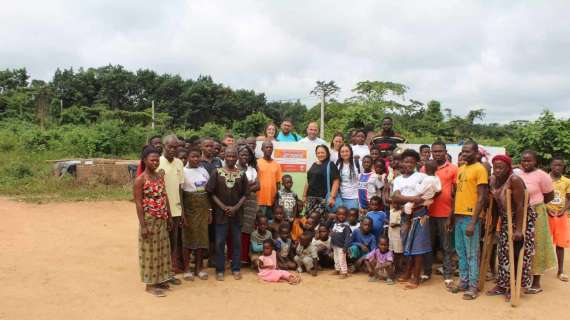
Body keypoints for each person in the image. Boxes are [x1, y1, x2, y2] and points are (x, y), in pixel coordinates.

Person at [485, 155, 536, 299]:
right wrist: (492, 224)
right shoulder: (493, 180)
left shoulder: (514, 180)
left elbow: (520, 206)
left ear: (508, 168)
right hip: (505, 220)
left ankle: (514, 286)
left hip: (521, 220)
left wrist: (519, 230)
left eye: (501, 167)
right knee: (503, 253)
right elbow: (494, 205)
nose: (498, 170)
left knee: (517, 253)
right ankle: (502, 284)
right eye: (495, 167)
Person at [134, 146, 175, 297]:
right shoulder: (140, 180)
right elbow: (138, 203)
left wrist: (169, 217)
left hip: (162, 218)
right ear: (144, 160)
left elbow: (165, 196)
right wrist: (143, 225)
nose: (155, 162)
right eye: (152, 160)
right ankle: (150, 285)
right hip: (149, 219)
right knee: (150, 252)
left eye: (157, 160)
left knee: (162, 250)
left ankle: (160, 280)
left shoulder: (159, 176)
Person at [450, 141, 488, 299]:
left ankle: (473, 286)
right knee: (461, 252)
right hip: (458, 216)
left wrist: (473, 221)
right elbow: (458, 195)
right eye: (463, 151)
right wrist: (451, 217)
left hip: (470, 217)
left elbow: (482, 197)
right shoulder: (461, 169)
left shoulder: (480, 169)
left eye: (467, 151)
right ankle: (463, 281)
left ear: (476, 153)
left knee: (472, 253)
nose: (464, 154)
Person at [206, 146, 249, 281]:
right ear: (224, 157)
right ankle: (220, 269)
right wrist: (223, 207)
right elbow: (211, 192)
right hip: (221, 214)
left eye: (233, 156)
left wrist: (236, 207)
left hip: (237, 214)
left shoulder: (242, 173)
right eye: (228, 156)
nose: (230, 158)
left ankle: (236, 268)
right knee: (219, 242)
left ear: (236, 158)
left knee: (236, 242)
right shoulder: (217, 172)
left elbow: (246, 194)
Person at [391, 149, 431, 290]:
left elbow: (431, 193)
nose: (408, 164)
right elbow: (395, 198)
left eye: (411, 162)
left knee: (418, 246)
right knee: (407, 244)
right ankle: (407, 272)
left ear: (415, 163)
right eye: (405, 161)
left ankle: (416, 276)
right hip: (404, 215)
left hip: (419, 214)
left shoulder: (421, 176)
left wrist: (408, 199)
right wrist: (413, 198)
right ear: (401, 162)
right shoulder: (397, 179)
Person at [517, 149, 556, 293]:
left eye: (529, 160)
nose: (526, 163)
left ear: (536, 161)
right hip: (521, 213)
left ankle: (536, 282)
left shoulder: (542, 176)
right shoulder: (518, 175)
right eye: (523, 160)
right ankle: (522, 278)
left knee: (536, 245)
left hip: (537, 213)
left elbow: (549, 196)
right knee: (522, 245)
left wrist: (535, 205)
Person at [423, 141, 457, 286]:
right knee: (427, 244)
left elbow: (456, 194)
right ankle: (426, 272)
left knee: (446, 246)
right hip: (428, 213)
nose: (437, 154)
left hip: (445, 213)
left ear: (445, 151)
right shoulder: (425, 168)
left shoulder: (454, 169)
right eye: (434, 151)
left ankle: (448, 274)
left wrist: (452, 214)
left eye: (439, 151)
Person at [158, 135, 187, 276]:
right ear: (164, 146)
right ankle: (160, 273)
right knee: (161, 243)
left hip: (176, 210)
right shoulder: (156, 162)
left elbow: (180, 189)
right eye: (170, 147)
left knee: (173, 242)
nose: (173, 150)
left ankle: (169, 272)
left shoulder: (179, 163)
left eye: (175, 147)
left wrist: (182, 211)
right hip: (161, 211)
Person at [181, 148, 211, 281]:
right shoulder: (183, 172)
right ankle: (187, 269)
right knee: (188, 239)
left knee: (201, 239)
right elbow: (180, 194)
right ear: (188, 157)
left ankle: (199, 268)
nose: (196, 159)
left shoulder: (203, 170)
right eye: (193, 156)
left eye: (198, 157)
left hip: (203, 209)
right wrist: (182, 213)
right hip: (189, 208)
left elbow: (208, 192)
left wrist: (210, 211)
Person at [199, 137, 223, 268]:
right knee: (203, 229)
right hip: (202, 201)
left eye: (211, 146)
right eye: (207, 146)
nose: (210, 148)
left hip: (216, 201)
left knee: (214, 229)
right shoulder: (198, 162)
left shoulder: (218, 161)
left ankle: (213, 257)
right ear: (201, 147)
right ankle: (200, 258)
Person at [547, 156, 570, 282]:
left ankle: (560, 271)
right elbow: (539, 196)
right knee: (541, 242)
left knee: (560, 243)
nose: (557, 167)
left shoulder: (566, 181)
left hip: (560, 215)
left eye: (560, 165)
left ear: (563, 167)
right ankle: (538, 269)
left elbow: (569, 197)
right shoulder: (545, 179)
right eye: (555, 165)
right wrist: (546, 208)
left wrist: (564, 209)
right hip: (546, 214)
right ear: (551, 165)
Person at [237, 145, 260, 265]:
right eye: (242, 154)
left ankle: (244, 259)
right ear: (238, 155)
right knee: (237, 230)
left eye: (247, 154)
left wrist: (246, 187)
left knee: (247, 230)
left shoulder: (252, 169)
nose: (245, 157)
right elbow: (237, 187)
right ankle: (234, 258)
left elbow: (258, 186)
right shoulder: (234, 168)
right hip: (237, 203)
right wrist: (249, 185)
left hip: (250, 203)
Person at [304, 145, 340, 216]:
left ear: (327, 153)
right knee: (309, 220)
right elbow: (308, 181)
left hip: (323, 199)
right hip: (310, 198)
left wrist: (332, 197)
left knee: (320, 220)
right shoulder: (314, 164)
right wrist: (304, 195)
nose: (320, 154)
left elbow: (336, 181)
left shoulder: (330, 164)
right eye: (318, 153)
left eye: (322, 152)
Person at [256, 141, 283, 221]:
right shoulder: (257, 163)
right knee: (259, 224)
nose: (269, 149)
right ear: (262, 149)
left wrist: (277, 200)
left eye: (271, 147)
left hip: (272, 201)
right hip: (259, 200)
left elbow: (278, 183)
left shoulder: (276, 164)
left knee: (270, 224)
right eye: (266, 147)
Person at [329, 207, 352, 279]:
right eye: (339, 214)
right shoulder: (335, 223)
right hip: (335, 244)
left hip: (342, 246)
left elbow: (348, 237)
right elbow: (330, 230)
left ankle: (344, 272)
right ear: (336, 215)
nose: (341, 216)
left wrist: (346, 247)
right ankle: (337, 269)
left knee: (342, 259)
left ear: (347, 216)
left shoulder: (346, 226)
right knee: (336, 258)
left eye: (343, 214)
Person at [336, 144, 360, 210]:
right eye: (342, 152)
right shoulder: (338, 164)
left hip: (354, 198)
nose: (344, 153)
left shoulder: (357, 163)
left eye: (347, 151)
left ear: (351, 152)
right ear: (339, 153)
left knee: (352, 219)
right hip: (340, 198)